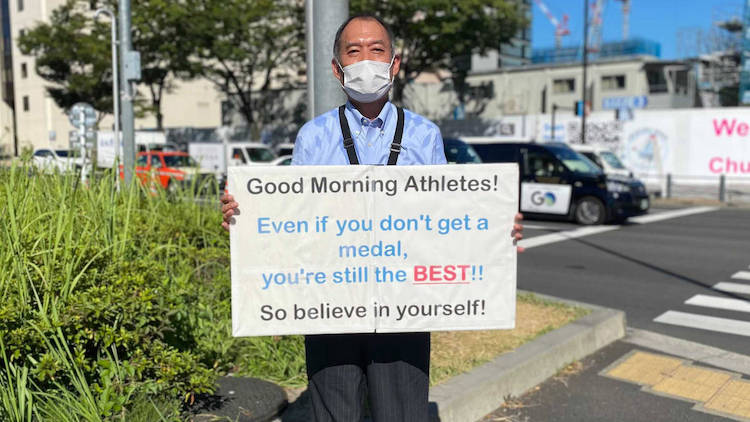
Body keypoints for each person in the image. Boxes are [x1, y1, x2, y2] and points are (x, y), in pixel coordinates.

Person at [220, 14, 523, 422]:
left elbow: (448, 220)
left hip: (405, 306)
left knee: (402, 413)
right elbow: (291, 222)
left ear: (394, 64)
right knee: (335, 412)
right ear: (337, 68)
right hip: (331, 304)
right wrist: (247, 220)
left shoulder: (424, 135)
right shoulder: (313, 137)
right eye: (354, 51)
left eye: (377, 50)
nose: (366, 60)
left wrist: (496, 225)